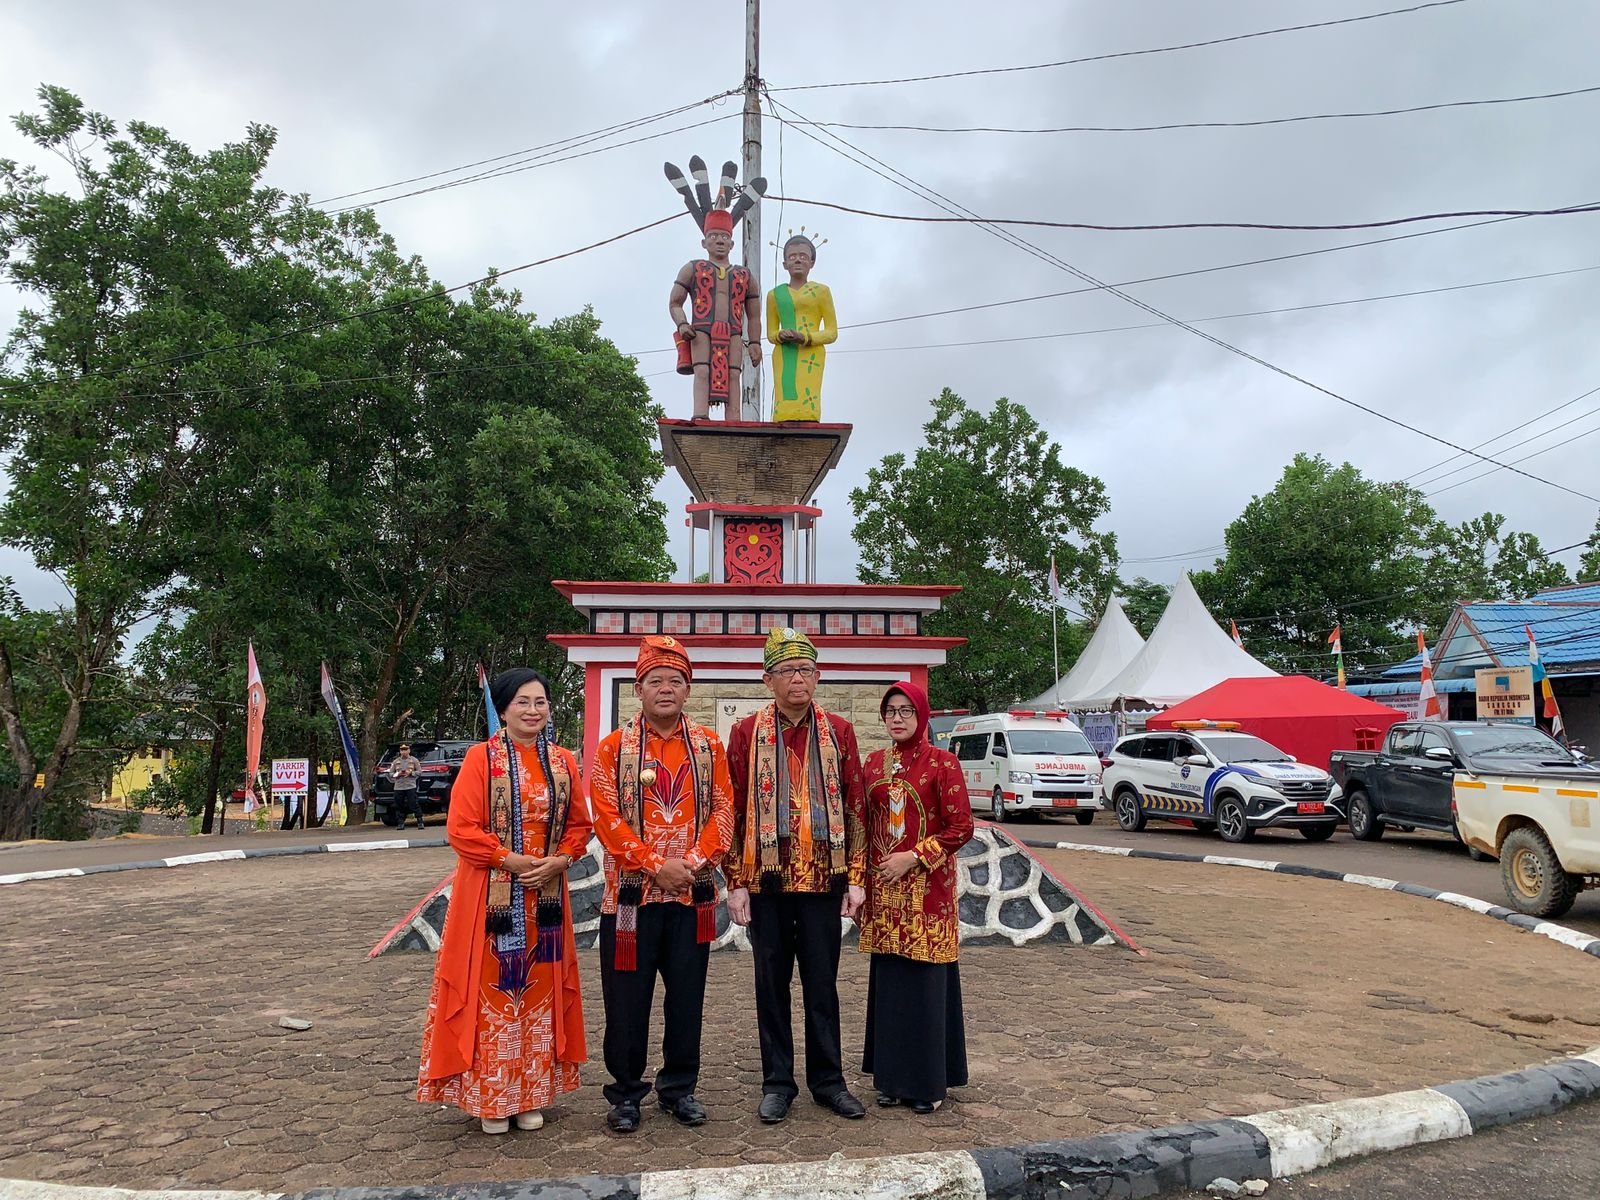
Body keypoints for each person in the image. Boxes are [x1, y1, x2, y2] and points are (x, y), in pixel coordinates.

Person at [416, 669, 591, 1135]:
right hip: (490, 898)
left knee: (539, 990)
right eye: (523, 702)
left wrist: (560, 860)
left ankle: (531, 1093)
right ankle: (491, 1097)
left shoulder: (562, 761)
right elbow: (462, 828)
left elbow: (579, 824)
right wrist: (510, 860)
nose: (533, 711)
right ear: (503, 708)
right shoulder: (481, 760)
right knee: (490, 990)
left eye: (541, 702)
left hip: (546, 898)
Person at [588, 636, 736, 1133]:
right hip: (630, 899)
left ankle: (679, 1088)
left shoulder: (710, 746)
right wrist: (655, 864)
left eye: (676, 681)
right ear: (638, 689)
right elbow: (607, 820)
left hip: (691, 897)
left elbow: (725, 813)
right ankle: (626, 1093)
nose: (666, 689)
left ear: (688, 689)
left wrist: (690, 864)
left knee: (687, 996)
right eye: (657, 681)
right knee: (627, 1000)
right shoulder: (614, 749)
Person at [726, 627, 868, 1123]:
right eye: (787, 671)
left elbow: (854, 807)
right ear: (768, 680)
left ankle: (829, 1080)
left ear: (818, 675)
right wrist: (735, 881)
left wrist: (856, 876)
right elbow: (734, 809)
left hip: (823, 881)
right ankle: (777, 1082)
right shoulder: (746, 732)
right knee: (771, 983)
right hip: (766, 881)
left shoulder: (839, 731)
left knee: (822, 983)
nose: (798, 680)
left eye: (806, 669)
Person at [858, 681, 973, 1114]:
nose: (898, 718)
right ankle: (890, 1079)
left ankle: (927, 1083)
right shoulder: (873, 765)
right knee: (890, 988)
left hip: (928, 897)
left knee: (925, 988)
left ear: (922, 715)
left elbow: (961, 827)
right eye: (891, 711)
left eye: (907, 710)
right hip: (884, 897)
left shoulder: (943, 764)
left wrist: (914, 857)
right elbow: (861, 826)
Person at [669, 208, 762, 421]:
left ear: (732, 243)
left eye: (724, 237)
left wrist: (755, 341)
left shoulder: (745, 275)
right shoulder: (692, 268)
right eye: (713, 236)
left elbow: (754, 315)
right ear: (704, 243)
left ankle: (733, 419)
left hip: (734, 333)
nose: (719, 241)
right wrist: (682, 324)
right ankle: (700, 415)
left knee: (733, 374)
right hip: (701, 330)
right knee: (702, 371)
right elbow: (675, 302)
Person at [765, 234, 837, 422]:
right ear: (784, 264)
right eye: (792, 256)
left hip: (811, 354)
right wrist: (781, 335)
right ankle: (783, 417)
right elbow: (770, 334)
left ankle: (809, 417)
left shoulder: (822, 291)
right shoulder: (775, 295)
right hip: (784, 352)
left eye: (803, 256)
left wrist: (805, 337)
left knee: (808, 392)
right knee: (785, 390)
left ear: (812, 263)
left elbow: (831, 332)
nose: (798, 259)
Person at [390, 743, 424, 830]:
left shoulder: (414, 760)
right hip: (399, 786)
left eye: (406, 749)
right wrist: (397, 774)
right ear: (400, 751)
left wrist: (411, 773)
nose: (404, 751)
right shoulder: (395, 761)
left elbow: (420, 772)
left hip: (410, 786)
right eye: (402, 750)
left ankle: (420, 821)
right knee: (399, 805)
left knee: (413, 803)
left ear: (409, 750)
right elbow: (390, 773)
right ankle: (400, 823)